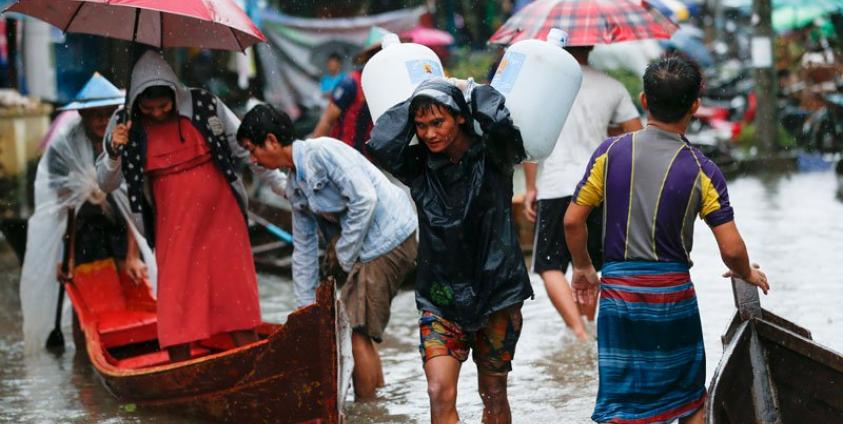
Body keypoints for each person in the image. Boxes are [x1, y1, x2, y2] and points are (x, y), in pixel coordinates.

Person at [564, 55, 770, 424]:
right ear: (695, 106)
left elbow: (572, 221)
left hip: (619, 294)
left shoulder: (609, 153)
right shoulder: (702, 169)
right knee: (689, 401)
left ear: (644, 100)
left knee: (622, 404)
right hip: (671, 295)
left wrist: (582, 267)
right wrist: (746, 273)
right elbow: (732, 249)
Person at [97, 51, 287, 362]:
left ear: (175, 93)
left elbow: (246, 150)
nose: (158, 113)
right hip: (172, 222)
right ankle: (181, 368)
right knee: (178, 300)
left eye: (164, 105)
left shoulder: (206, 105)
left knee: (234, 293)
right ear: (137, 103)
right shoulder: (123, 123)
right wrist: (114, 151)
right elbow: (106, 183)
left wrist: (280, 185)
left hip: (223, 217)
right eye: (149, 108)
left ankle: (253, 360)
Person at [368, 78, 533, 423]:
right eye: (421, 125)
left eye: (438, 122)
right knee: (437, 391)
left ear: (460, 117)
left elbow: (501, 123)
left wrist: (472, 93)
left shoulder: (494, 154)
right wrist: (419, 96)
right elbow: (380, 143)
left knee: (494, 393)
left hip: (497, 292)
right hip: (440, 296)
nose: (429, 134)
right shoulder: (417, 165)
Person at [235, 104, 418, 400]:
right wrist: (304, 310)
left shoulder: (321, 152)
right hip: (367, 247)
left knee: (353, 331)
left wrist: (344, 256)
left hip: (390, 237)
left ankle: (366, 411)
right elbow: (304, 250)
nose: (253, 159)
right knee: (356, 329)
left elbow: (365, 200)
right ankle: (378, 403)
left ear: (271, 140)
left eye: (252, 150)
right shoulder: (296, 185)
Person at [20, 73, 150, 354]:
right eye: (95, 115)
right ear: (82, 114)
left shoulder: (127, 143)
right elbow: (63, 209)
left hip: (120, 228)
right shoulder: (63, 150)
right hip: (83, 233)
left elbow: (134, 203)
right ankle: (87, 358)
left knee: (135, 286)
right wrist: (64, 258)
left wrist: (133, 255)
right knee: (86, 303)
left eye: (108, 114)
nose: (103, 121)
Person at [522, 45, 642, 341]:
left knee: (549, 265)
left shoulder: (543, 89)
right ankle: (588, 328)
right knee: (587, 263)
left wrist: (530, 188)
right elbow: (636, 135)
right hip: (598, 186)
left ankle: (578, 331)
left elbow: (530, 142)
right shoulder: (611, 86)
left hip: (556, 186)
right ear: (591, 46)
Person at [311, 26, 391, 155]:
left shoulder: (386, 86)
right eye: (379, 54)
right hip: (344, 154)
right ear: (370, 57)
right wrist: (312, 154)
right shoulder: (350, 83)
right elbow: (327, 120)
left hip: (369, 158)